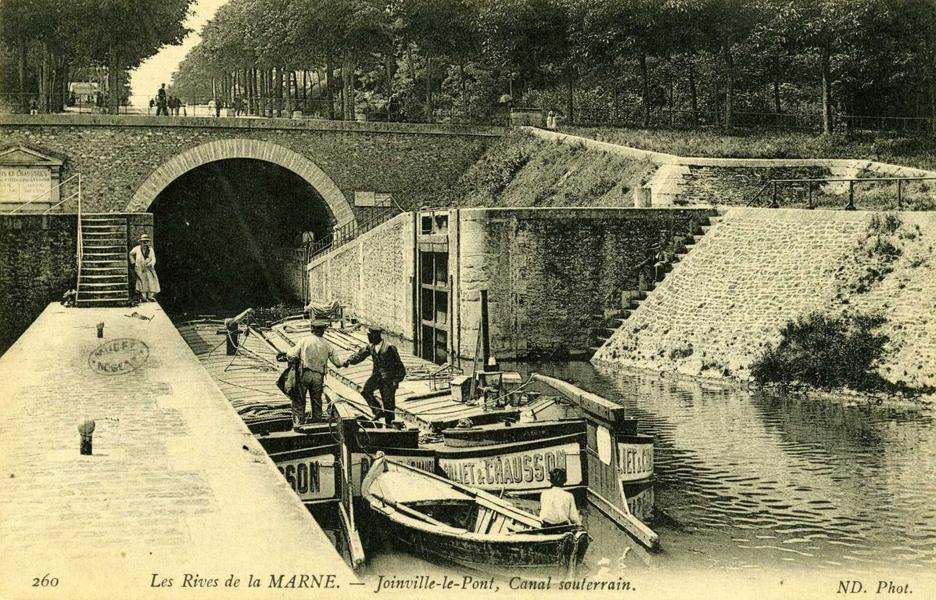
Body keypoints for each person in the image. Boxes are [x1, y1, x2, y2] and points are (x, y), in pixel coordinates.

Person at [277, 319, 344, 429]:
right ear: (323, 330)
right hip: (318, 376)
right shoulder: (327, 344)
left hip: (305, 374)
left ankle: (299, 424)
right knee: (317, 401)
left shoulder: (304, 340)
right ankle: (317, 424)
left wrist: (286, 355)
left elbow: (292, 354)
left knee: (299, 399)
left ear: (312, 329)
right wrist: (346, 362)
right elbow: (338, 362)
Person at [344, 327, 406, 426]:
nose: (368, 337)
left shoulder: (389, 347)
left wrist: (396, 381)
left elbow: (399, 366)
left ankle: (390, 426)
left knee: (388, 404)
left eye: (369, 335)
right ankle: (377, 411)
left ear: (375, 335)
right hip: (376, 376)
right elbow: (360, 355)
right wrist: (349, 360)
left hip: (388, 379)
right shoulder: (371, 346)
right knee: (366, 391)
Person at [128, 233, 160, 302]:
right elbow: (130, 254)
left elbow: (153, 258)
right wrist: (133, 262)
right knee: (141, 282)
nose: (145, 244)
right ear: (141, 242)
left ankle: (150, 296)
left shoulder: (150, 249)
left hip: (148, 268)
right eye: (143, 242)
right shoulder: (137, 249)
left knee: (150, 281)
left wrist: (151, 263)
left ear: (148, 242)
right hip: (140, 268)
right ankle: (143, 296)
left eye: (146, 242)